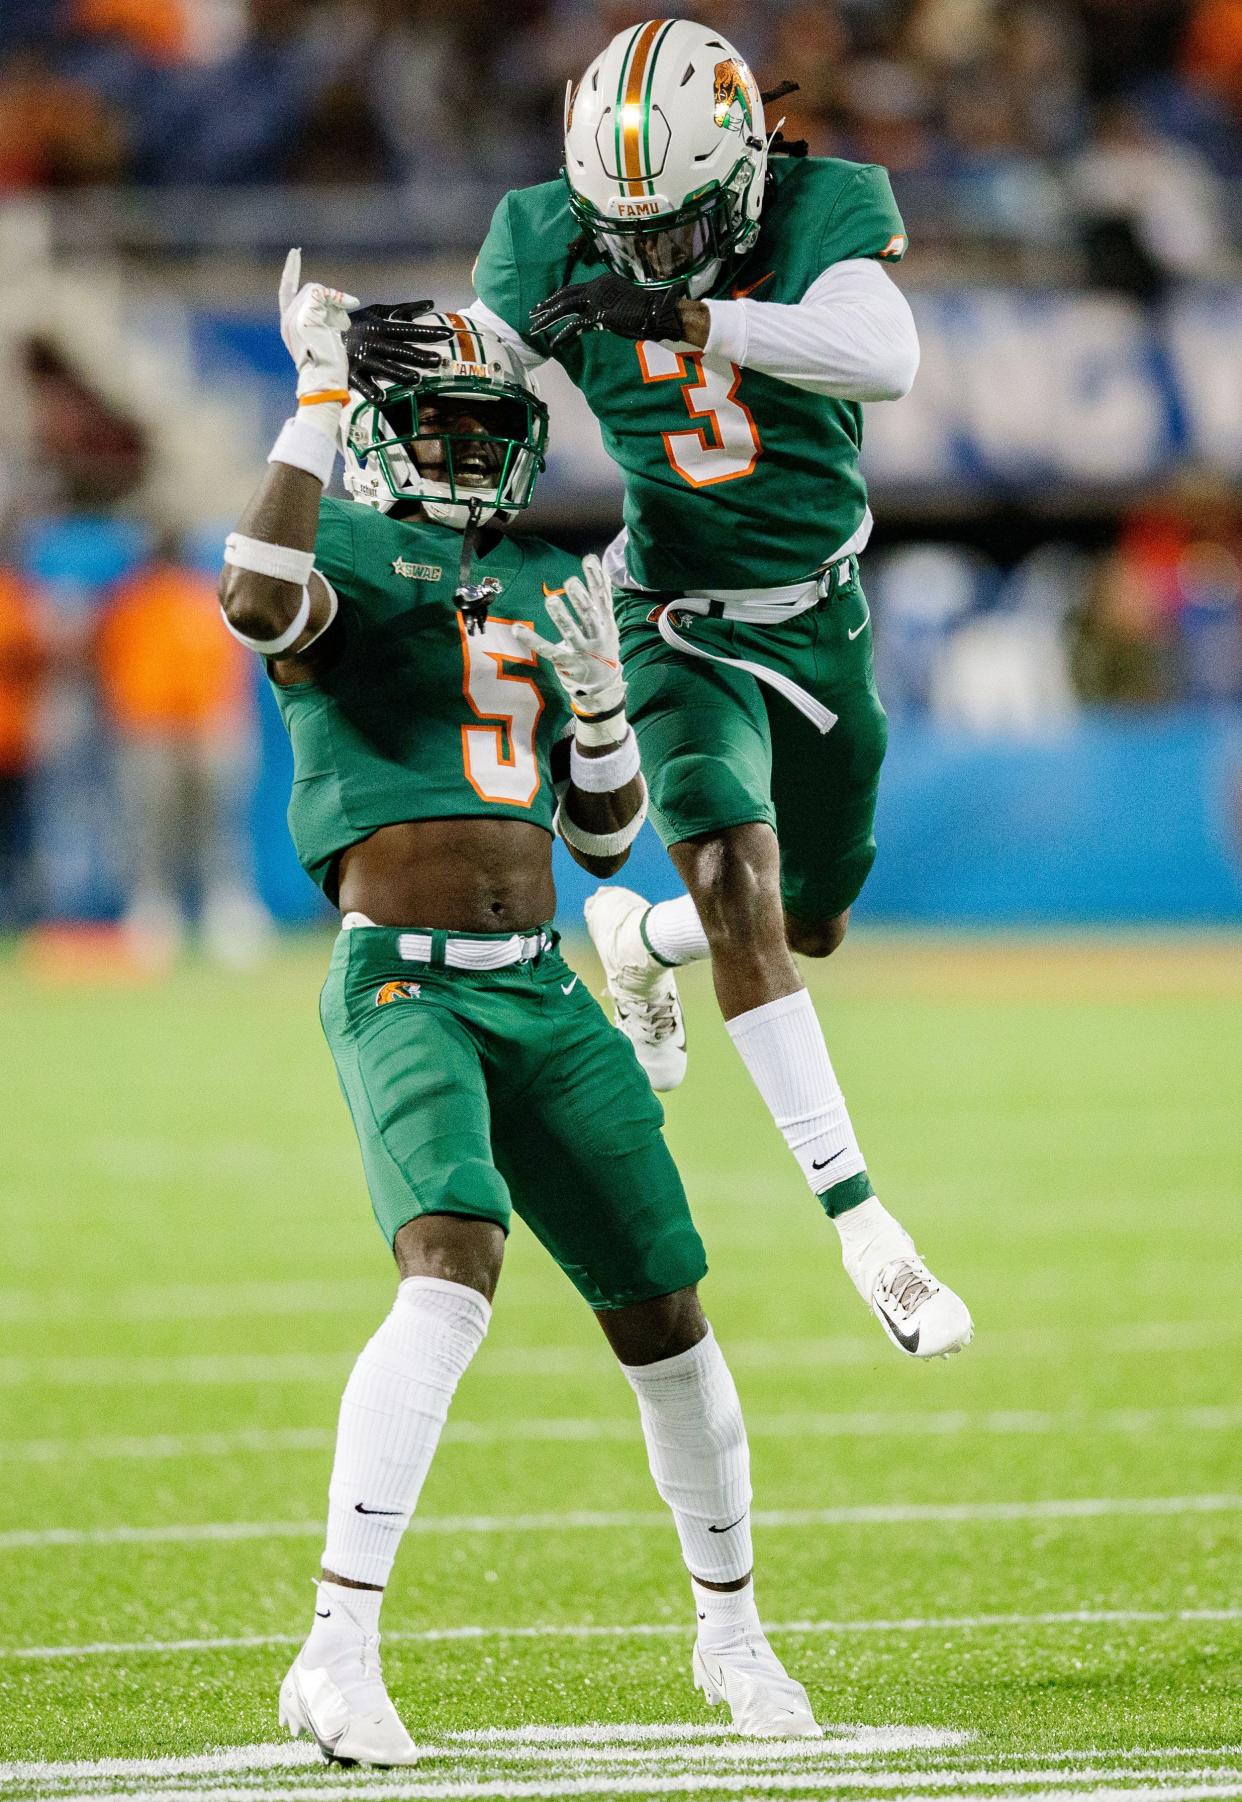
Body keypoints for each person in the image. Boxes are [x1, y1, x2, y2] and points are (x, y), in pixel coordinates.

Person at [217, 255, 821, 1765]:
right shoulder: (337, 533)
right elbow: (252, 594)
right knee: (451, 1268)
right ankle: (333, 1648)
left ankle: (734, 1639)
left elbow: (604, 836)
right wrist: (312, 396)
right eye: (446, 427)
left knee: (668, 1313)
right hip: (405, 978)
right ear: (375, 431)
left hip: (543, 985)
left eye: (495, 430)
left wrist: (608, 721)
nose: (475, 452)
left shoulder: (548, 580)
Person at [423, 17, 968, 1360]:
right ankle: (866, 1228)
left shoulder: (816, 204)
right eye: (626, 228)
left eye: (671, 226)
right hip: (665, 611)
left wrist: (689, 315)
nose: (641, 249)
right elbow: (467, 377)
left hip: (818, 618)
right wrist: (391, 381)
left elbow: (882, 355)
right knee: (734, 873)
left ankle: (636, 941)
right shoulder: (546, 231)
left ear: (741, 168)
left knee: (813, 917)